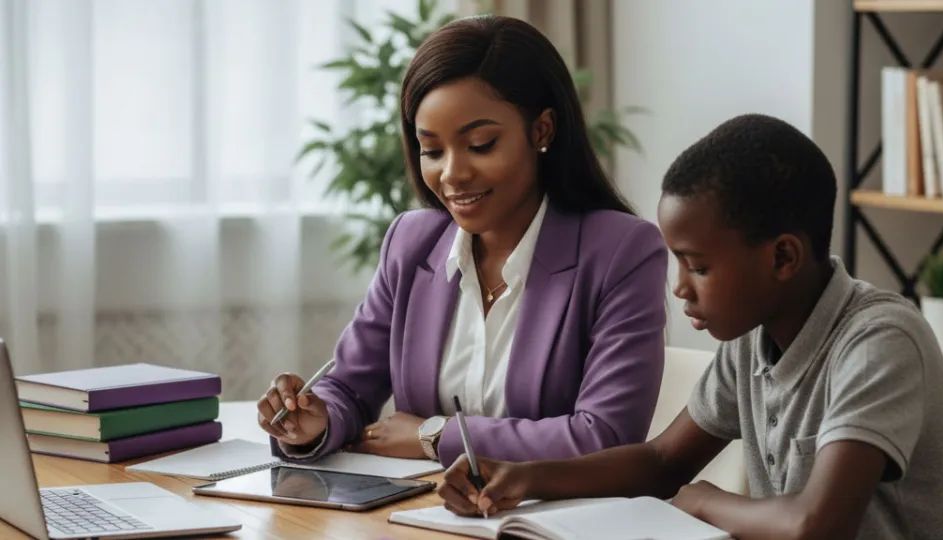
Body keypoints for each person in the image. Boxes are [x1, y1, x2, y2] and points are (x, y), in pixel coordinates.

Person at [437, 113, 943, 540]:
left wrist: (708, 500)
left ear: (783, 257)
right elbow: (663, 461)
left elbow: (815, 525)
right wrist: (523, 476)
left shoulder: (879, 343)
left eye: (699, 266)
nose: (680, 287)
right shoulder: (753, 338)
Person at [254, 14, 668, 468]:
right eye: (431, 150)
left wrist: (437, 435)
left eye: (481, 144)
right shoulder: (411, 243)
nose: (452, 174)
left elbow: (605, 438)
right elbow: (350, 387)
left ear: (542, 131)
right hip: (419, 516)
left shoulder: (621, 252)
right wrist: (315, 420)